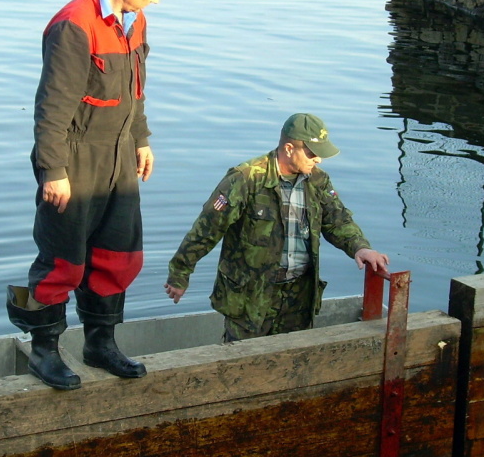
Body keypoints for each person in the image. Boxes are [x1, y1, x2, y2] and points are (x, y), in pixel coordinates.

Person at [7, 0, 169, 390]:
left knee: (118, 255)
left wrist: (141, 139)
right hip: (75, 155)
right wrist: (52, 170)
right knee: (62, 259)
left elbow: (135, 91)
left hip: (119, 153)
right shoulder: (74, 24)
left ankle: (100, 343)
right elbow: (52, 106)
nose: (157, 0)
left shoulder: (135, 21)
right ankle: (44, 351)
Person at [164, 113, 389, 341]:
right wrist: (180, 274)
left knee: (295, 356)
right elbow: (206, 230)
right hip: (250, 297)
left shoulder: (318, 181)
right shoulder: (246, 179)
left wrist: (361, 247)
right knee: (245, 357)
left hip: (298, 297)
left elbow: (338, 220)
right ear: (289, 149)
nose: (318, 160)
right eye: (312, 153)